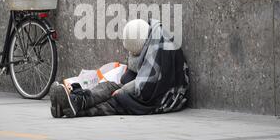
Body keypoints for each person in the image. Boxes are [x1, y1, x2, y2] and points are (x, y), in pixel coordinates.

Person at [50, 19, 189, 118]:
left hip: (164, 97)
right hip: (147, 87)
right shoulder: (144, 33)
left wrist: (122, 90)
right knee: (109, 87)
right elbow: (132, 73)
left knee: (119, 101)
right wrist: (119, 87)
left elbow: (147, 84)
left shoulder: (159, 51)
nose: (133, 56)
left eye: (135, 54)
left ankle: (68, 110)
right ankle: (76, 100)